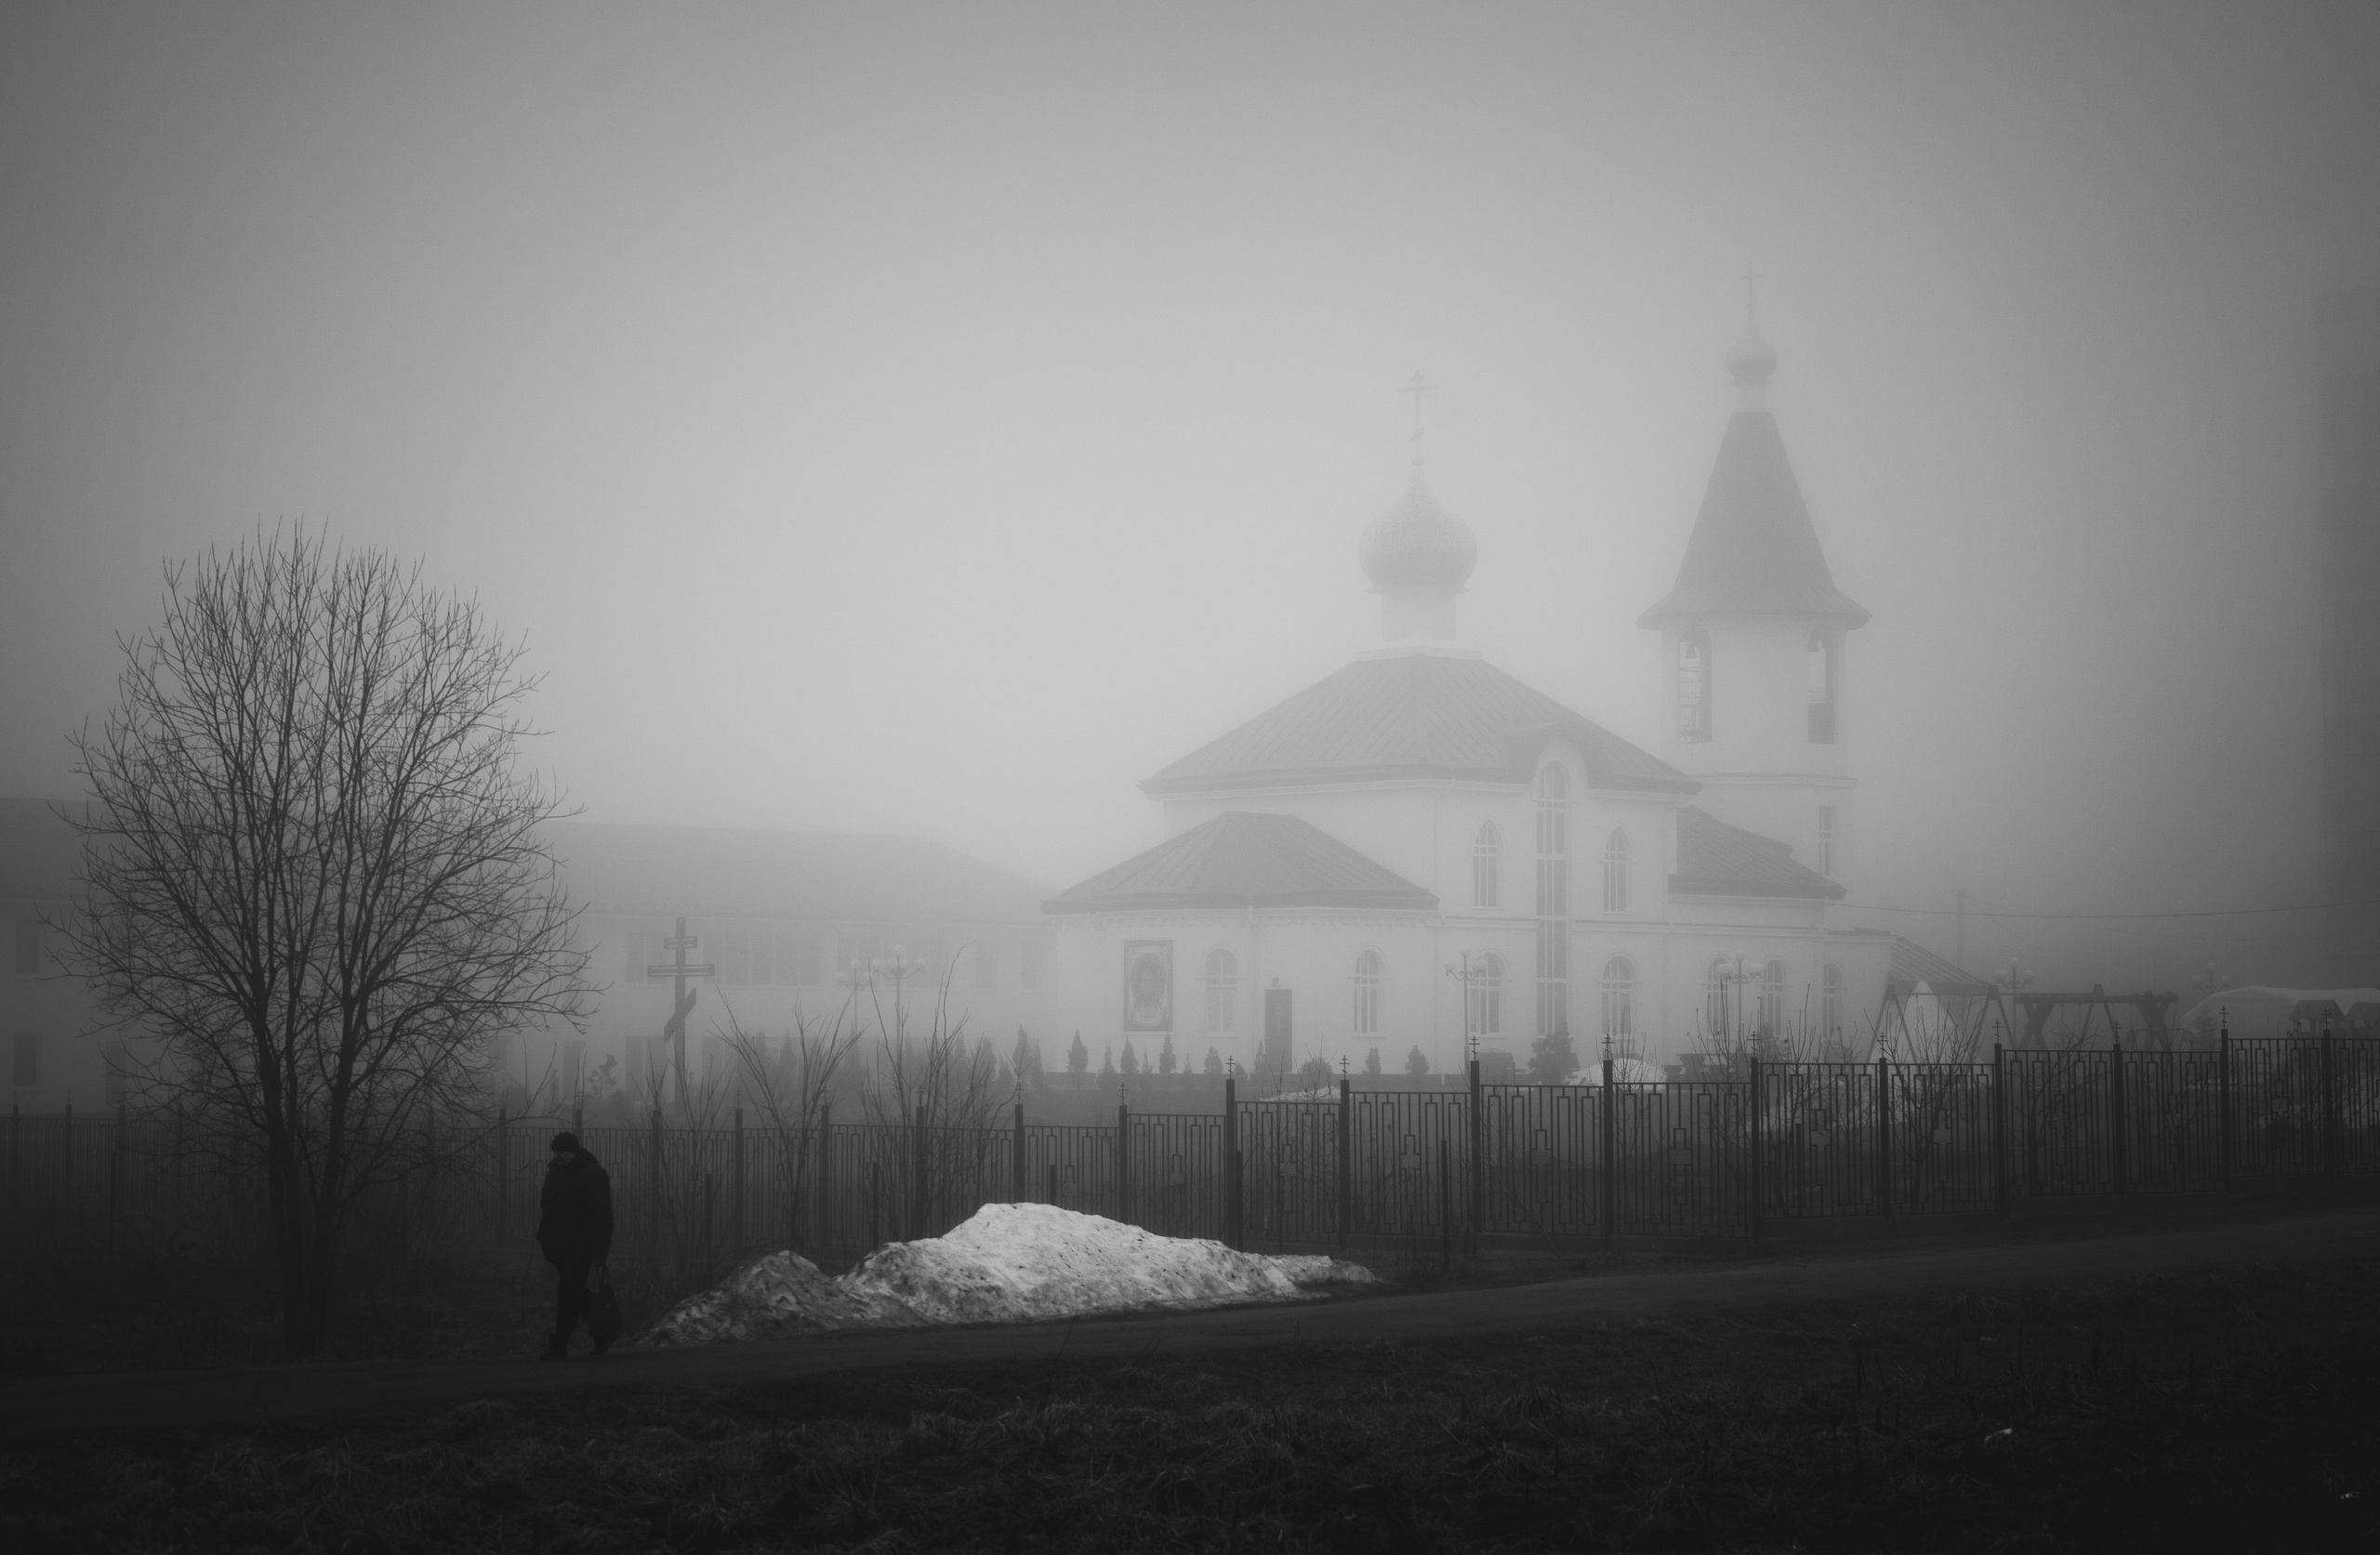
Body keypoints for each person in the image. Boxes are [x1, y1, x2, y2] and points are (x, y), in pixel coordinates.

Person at [535, 1130, 615, 1359]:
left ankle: (559, 1344)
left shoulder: (593, 1174)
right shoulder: (555, 1172)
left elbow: (603, 1216)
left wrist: (600, 1251)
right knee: (576, 1294)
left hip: (582, 1246)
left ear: (575, 1152)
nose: (560, 1156)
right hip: (558, 1244)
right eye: (557, 1152)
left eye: (564, 1152)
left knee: (568, 1293)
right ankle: (605, 1334)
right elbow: (547, 1204)